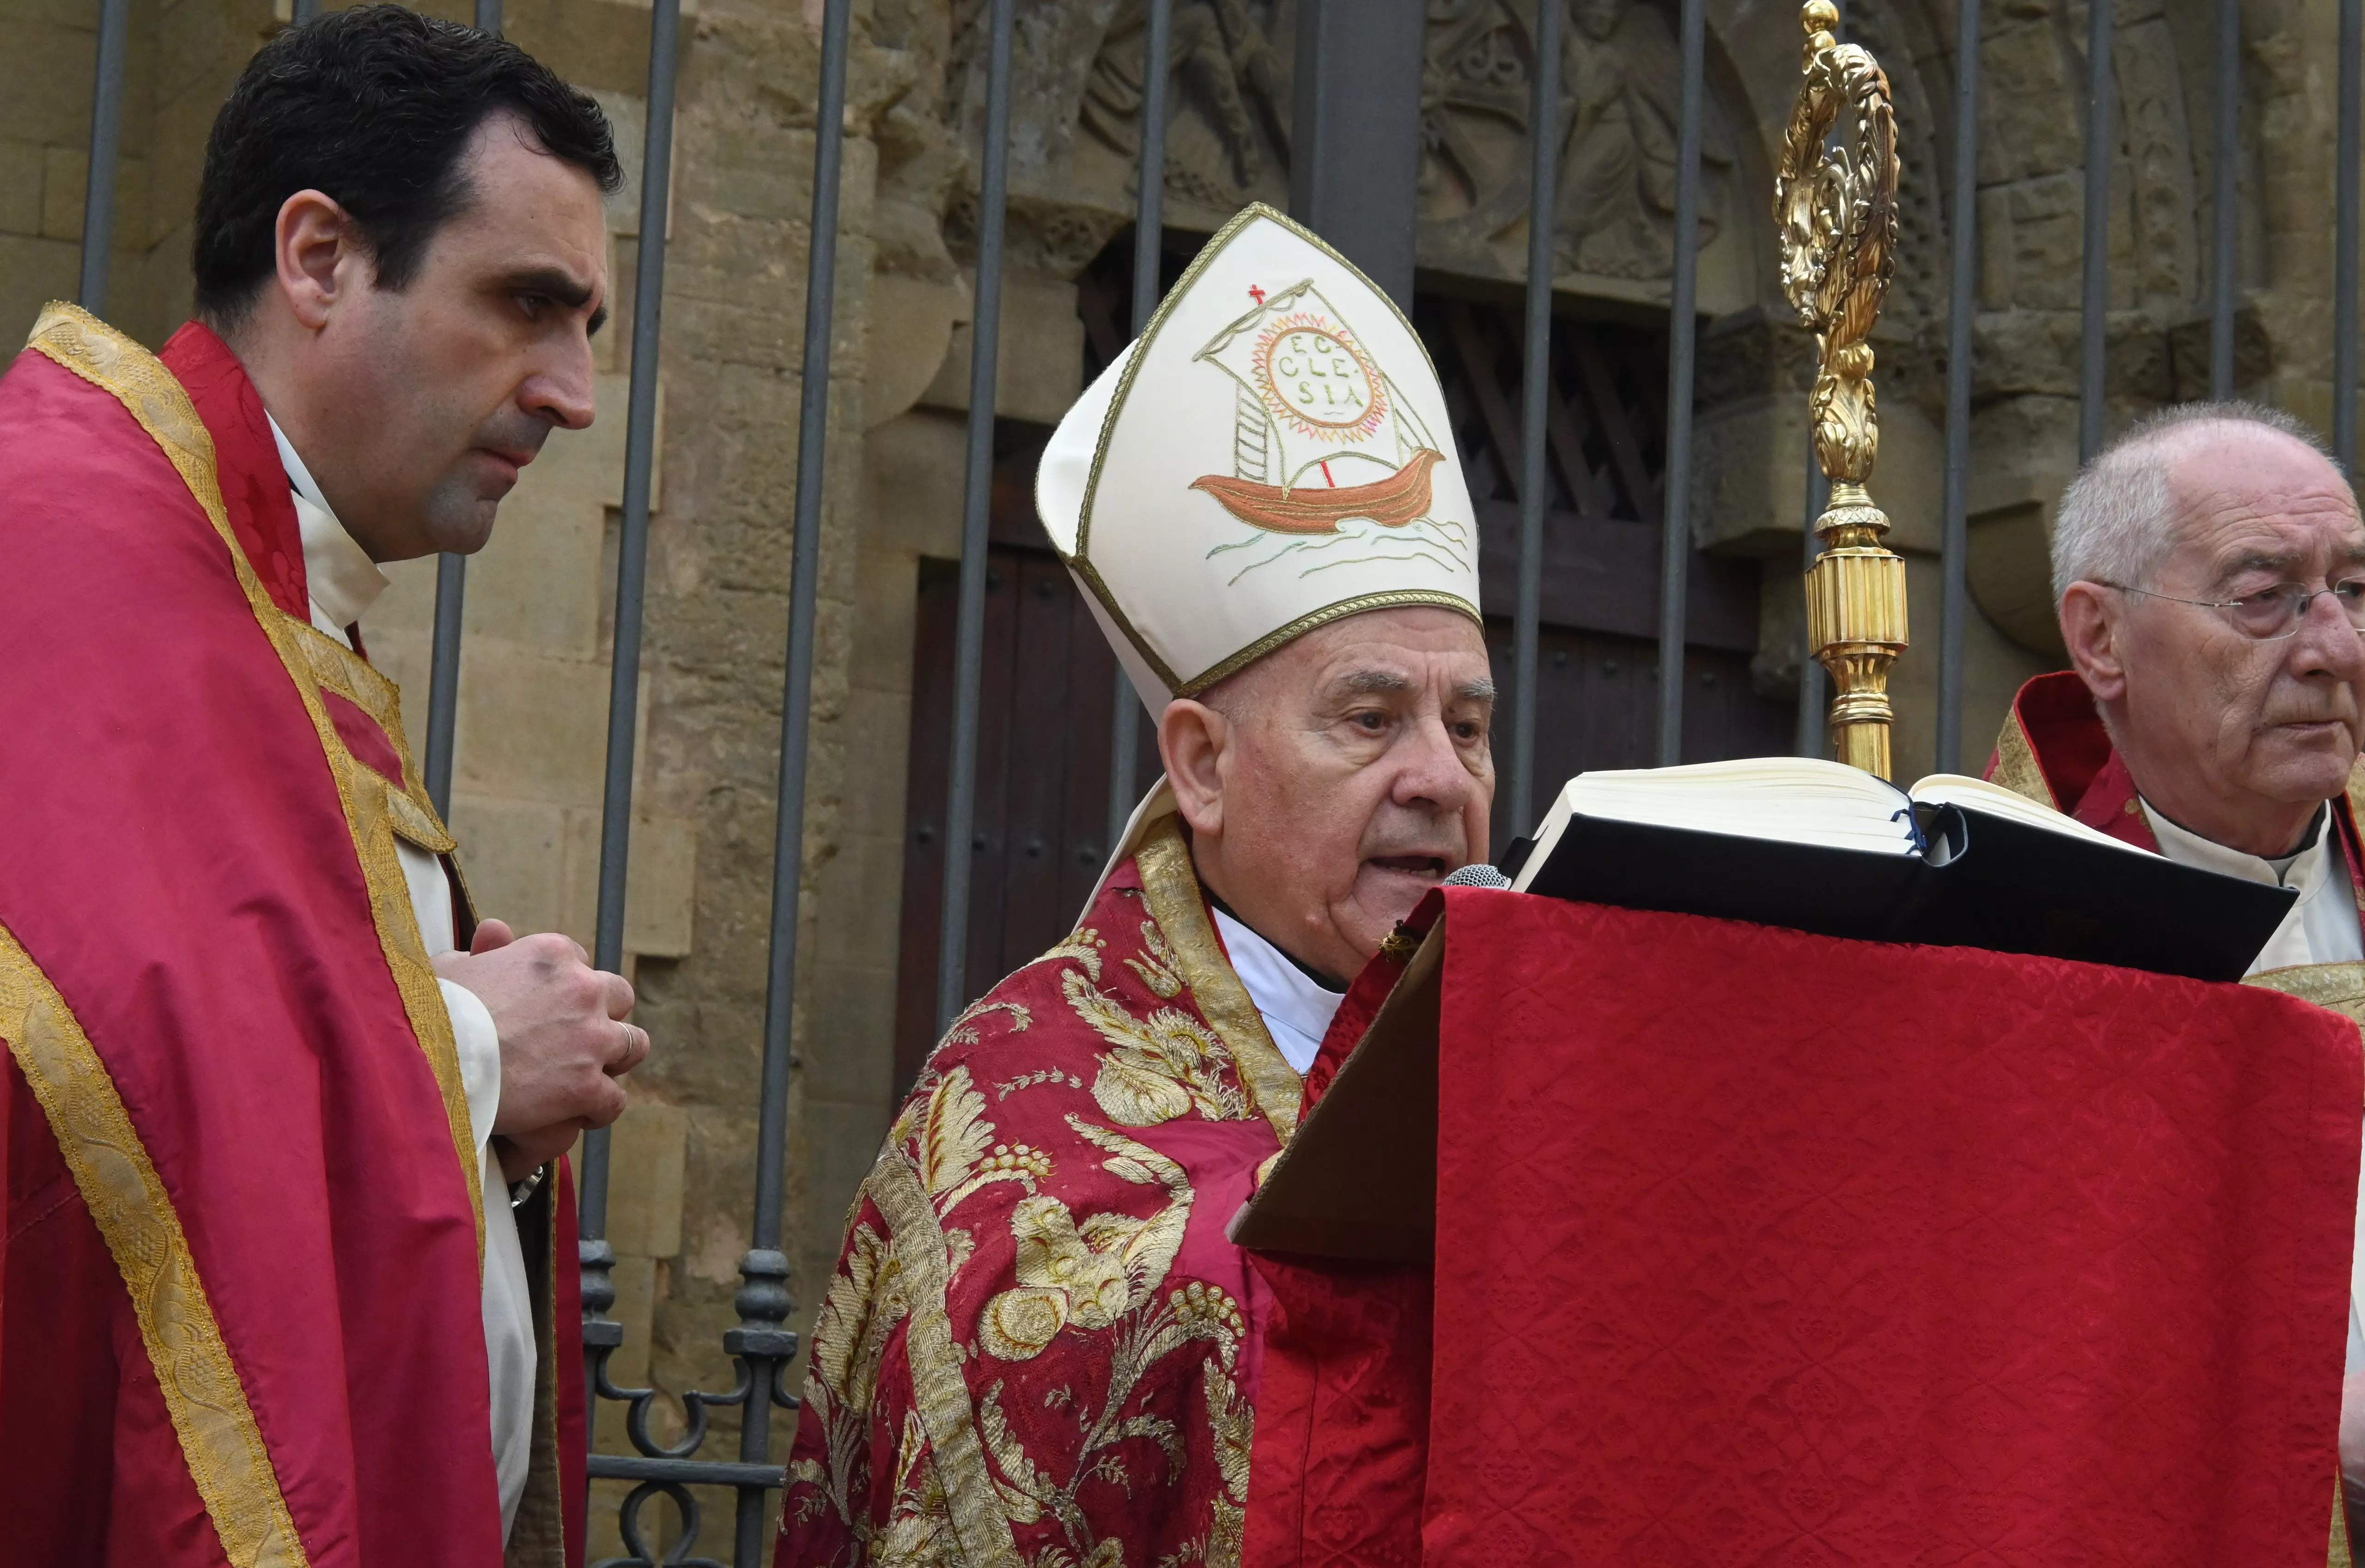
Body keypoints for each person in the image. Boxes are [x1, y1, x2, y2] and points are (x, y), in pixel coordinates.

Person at [0, 9, 648, 1561]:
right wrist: (474, 1046)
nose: (568, 393)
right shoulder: (67, 544)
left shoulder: (264, 593)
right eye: (524, 307)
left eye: (586, 331)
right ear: (318, 260)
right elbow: (91, 1068)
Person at [776, 205, 1494, 1566]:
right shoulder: (1017, 1093)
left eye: (1466, 724)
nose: (1437, 777)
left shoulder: (1536, 1043)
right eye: (1368, 717)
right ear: (1202, 764)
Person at [1982, 400, 2365, 1549]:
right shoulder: (1985, 926)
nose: (2334, 644)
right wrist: (2300, 1410)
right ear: (2099, 638)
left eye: (2354, 588)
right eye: (2265, 597)